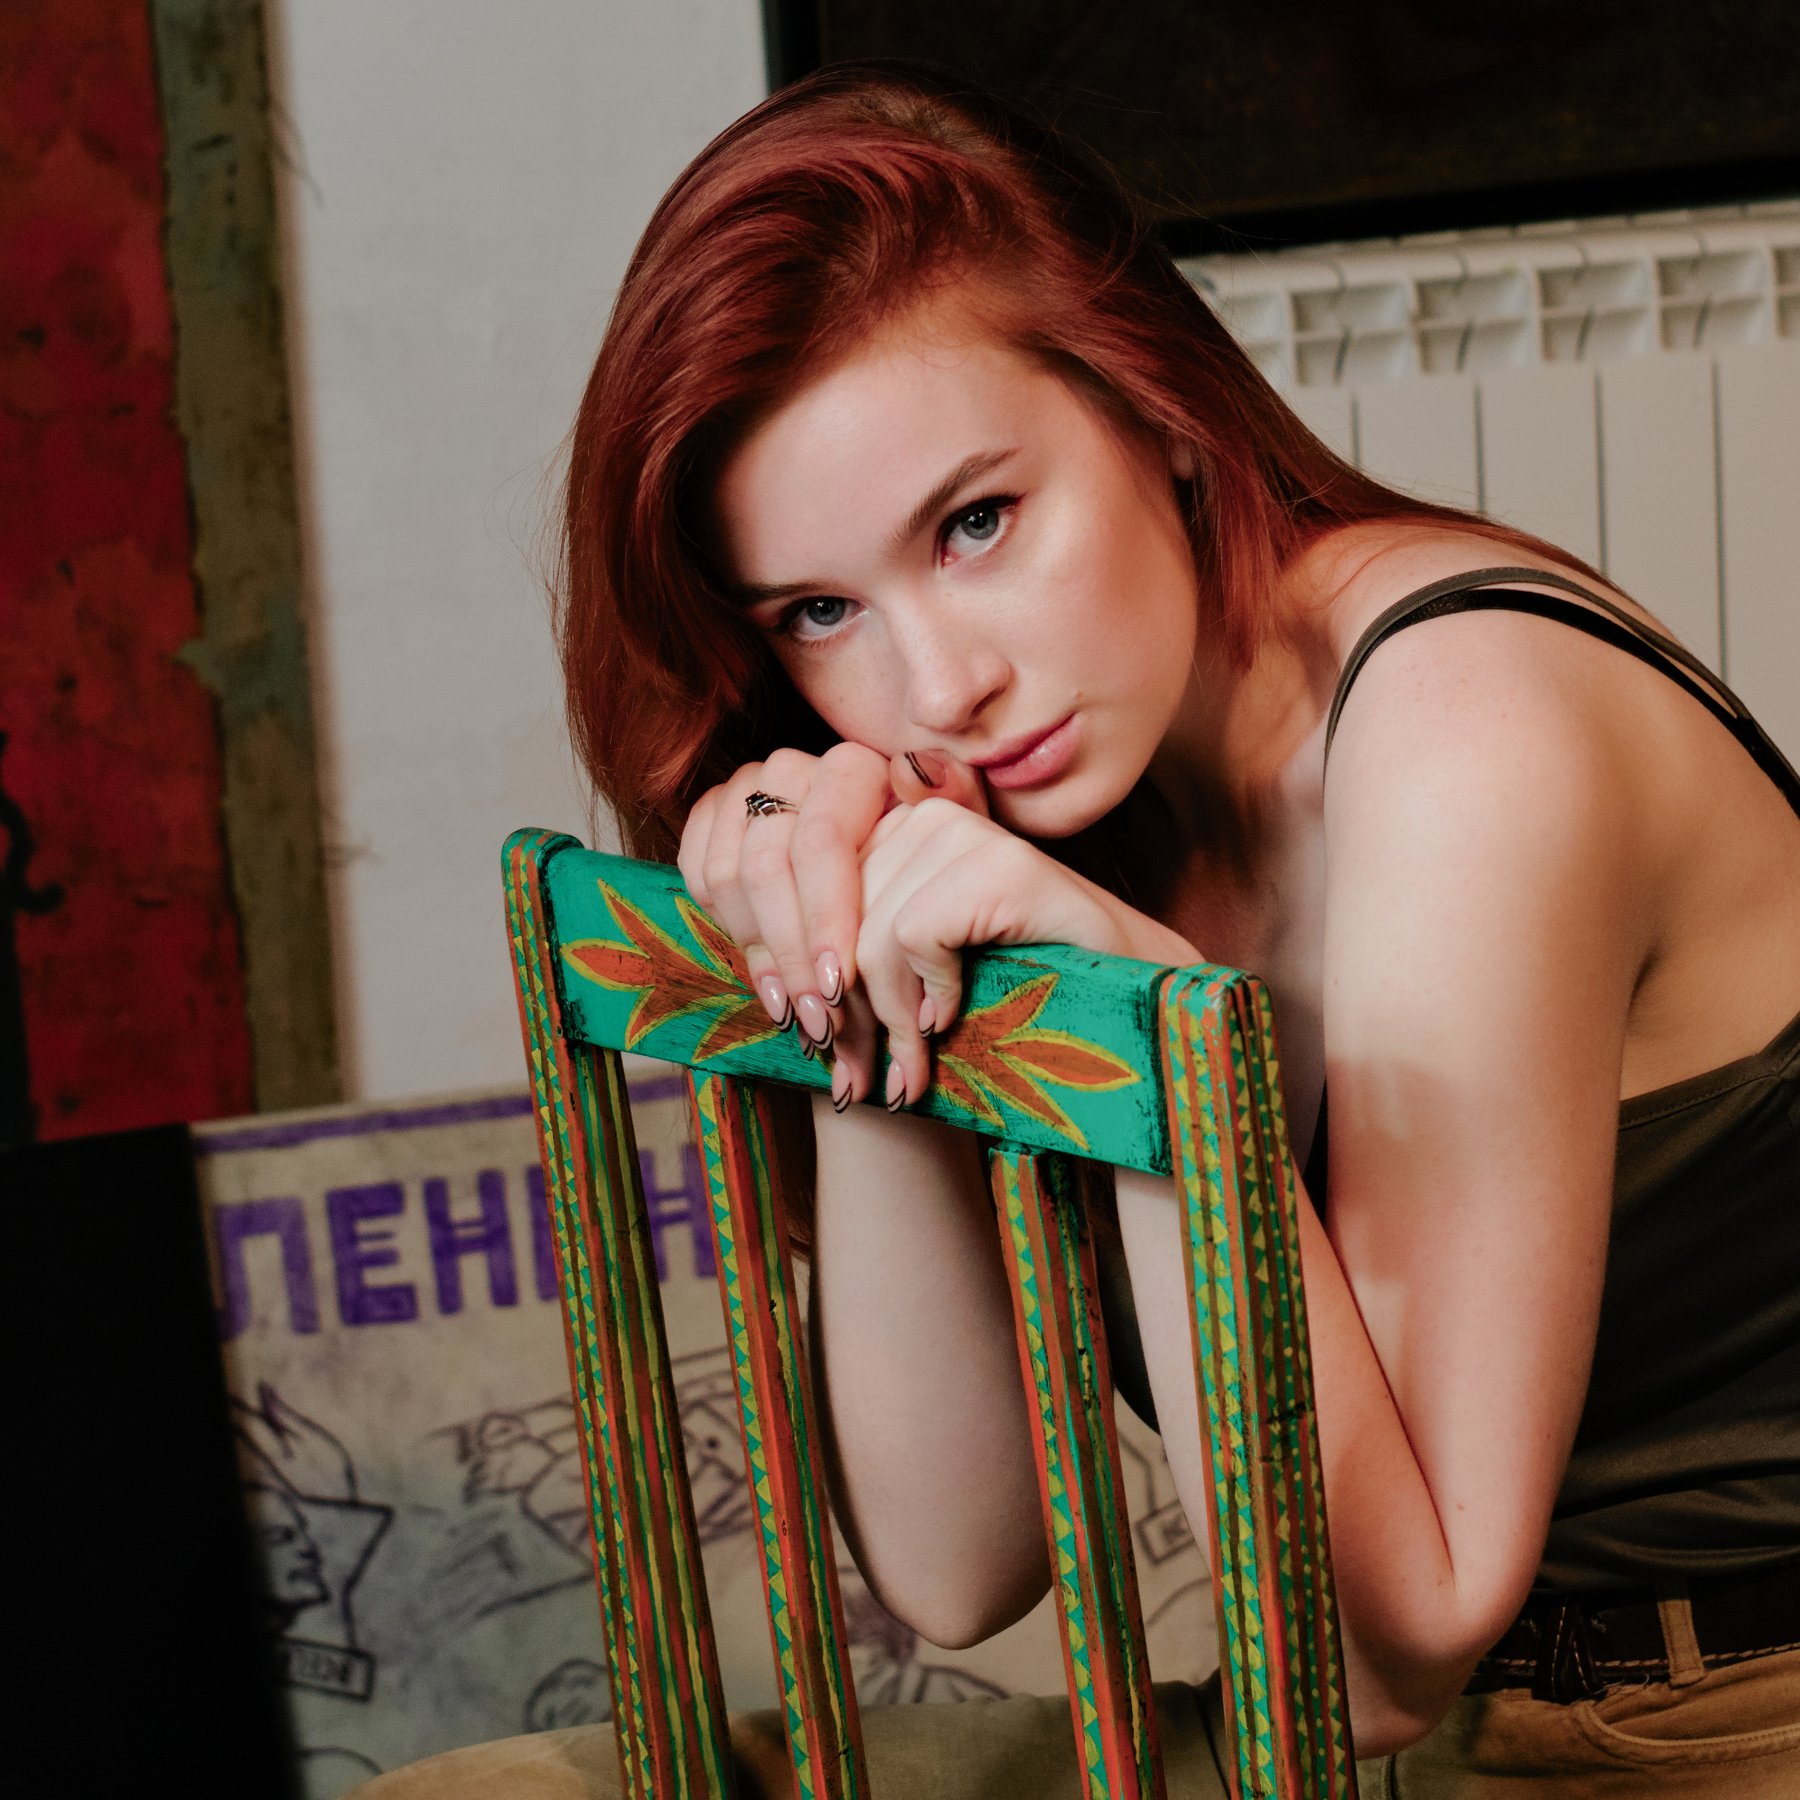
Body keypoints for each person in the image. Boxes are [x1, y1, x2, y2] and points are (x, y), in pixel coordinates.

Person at [357, 61, 1800, 1798]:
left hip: (1714, 1724)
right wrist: (840, 959)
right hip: (1372, 1734)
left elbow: (1377, 1660)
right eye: (820, 611)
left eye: (977, 523)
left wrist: (1154, 1040)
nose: (938, 684)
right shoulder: (1057, 804)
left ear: (1156, 406)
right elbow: (956, 1561)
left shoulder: (1470, 736)